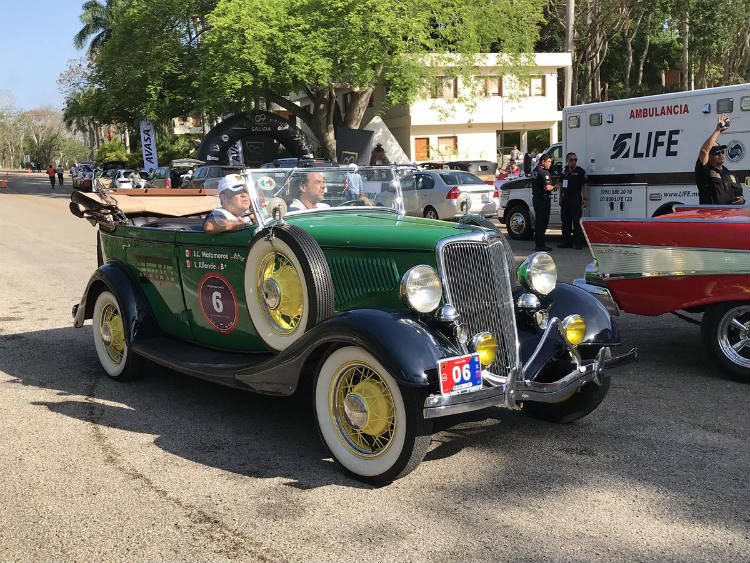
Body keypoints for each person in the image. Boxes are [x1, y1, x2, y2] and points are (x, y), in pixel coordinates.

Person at [695, 113, 745, 205]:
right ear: (709, 157)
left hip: (729, 216)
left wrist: (741, 200)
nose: (721, 154)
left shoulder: (730, 174)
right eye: (716, 152)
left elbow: (740, 195)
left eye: (722, 151)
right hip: (711, 216)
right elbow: (704, 151)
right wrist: (718, 130)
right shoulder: (704, 172)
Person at [557, 152, 588, 249]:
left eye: (575, 160)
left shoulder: (580, 171)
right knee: (565, 222)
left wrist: (585, 198)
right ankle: (566, 242)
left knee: (576, 222)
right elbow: (561, 184)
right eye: (571, 160)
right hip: (566, 199)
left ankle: (578, 243)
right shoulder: (564, 171)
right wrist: (560, 197)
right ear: (567, 161)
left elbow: (584, 185)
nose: (574, 162)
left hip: (576, 199)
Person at [531, 152, 555, 251]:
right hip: (543, 200)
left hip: (536, 199)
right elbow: (547, 187)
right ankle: (541, 245)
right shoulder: (544, 173)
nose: (550, 164)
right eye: (548, 162)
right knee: (542, 223)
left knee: (538, 223)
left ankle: (539, 244)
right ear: (543, 162)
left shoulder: (535, 170)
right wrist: (556, 186)